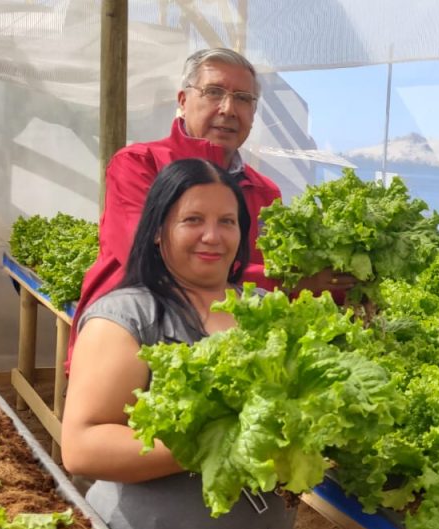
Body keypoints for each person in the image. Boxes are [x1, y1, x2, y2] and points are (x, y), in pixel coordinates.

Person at [61, 158, 296, 529]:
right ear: (157, 230)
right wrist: (217, 442)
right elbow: (82, 447)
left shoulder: (255, 309)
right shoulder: (127, 316)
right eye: (193, 220)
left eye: (227, 221)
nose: (213, 235)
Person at [69, 47, 346, 368]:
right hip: (136, 335)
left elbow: (265, 270)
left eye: (243, 98)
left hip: (224, 346)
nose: (229, 109)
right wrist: (288, 282)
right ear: (183, 101)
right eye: (214, 92)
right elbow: (144, 254)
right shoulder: (140, 163)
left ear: (254, 113)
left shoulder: (264, 190)